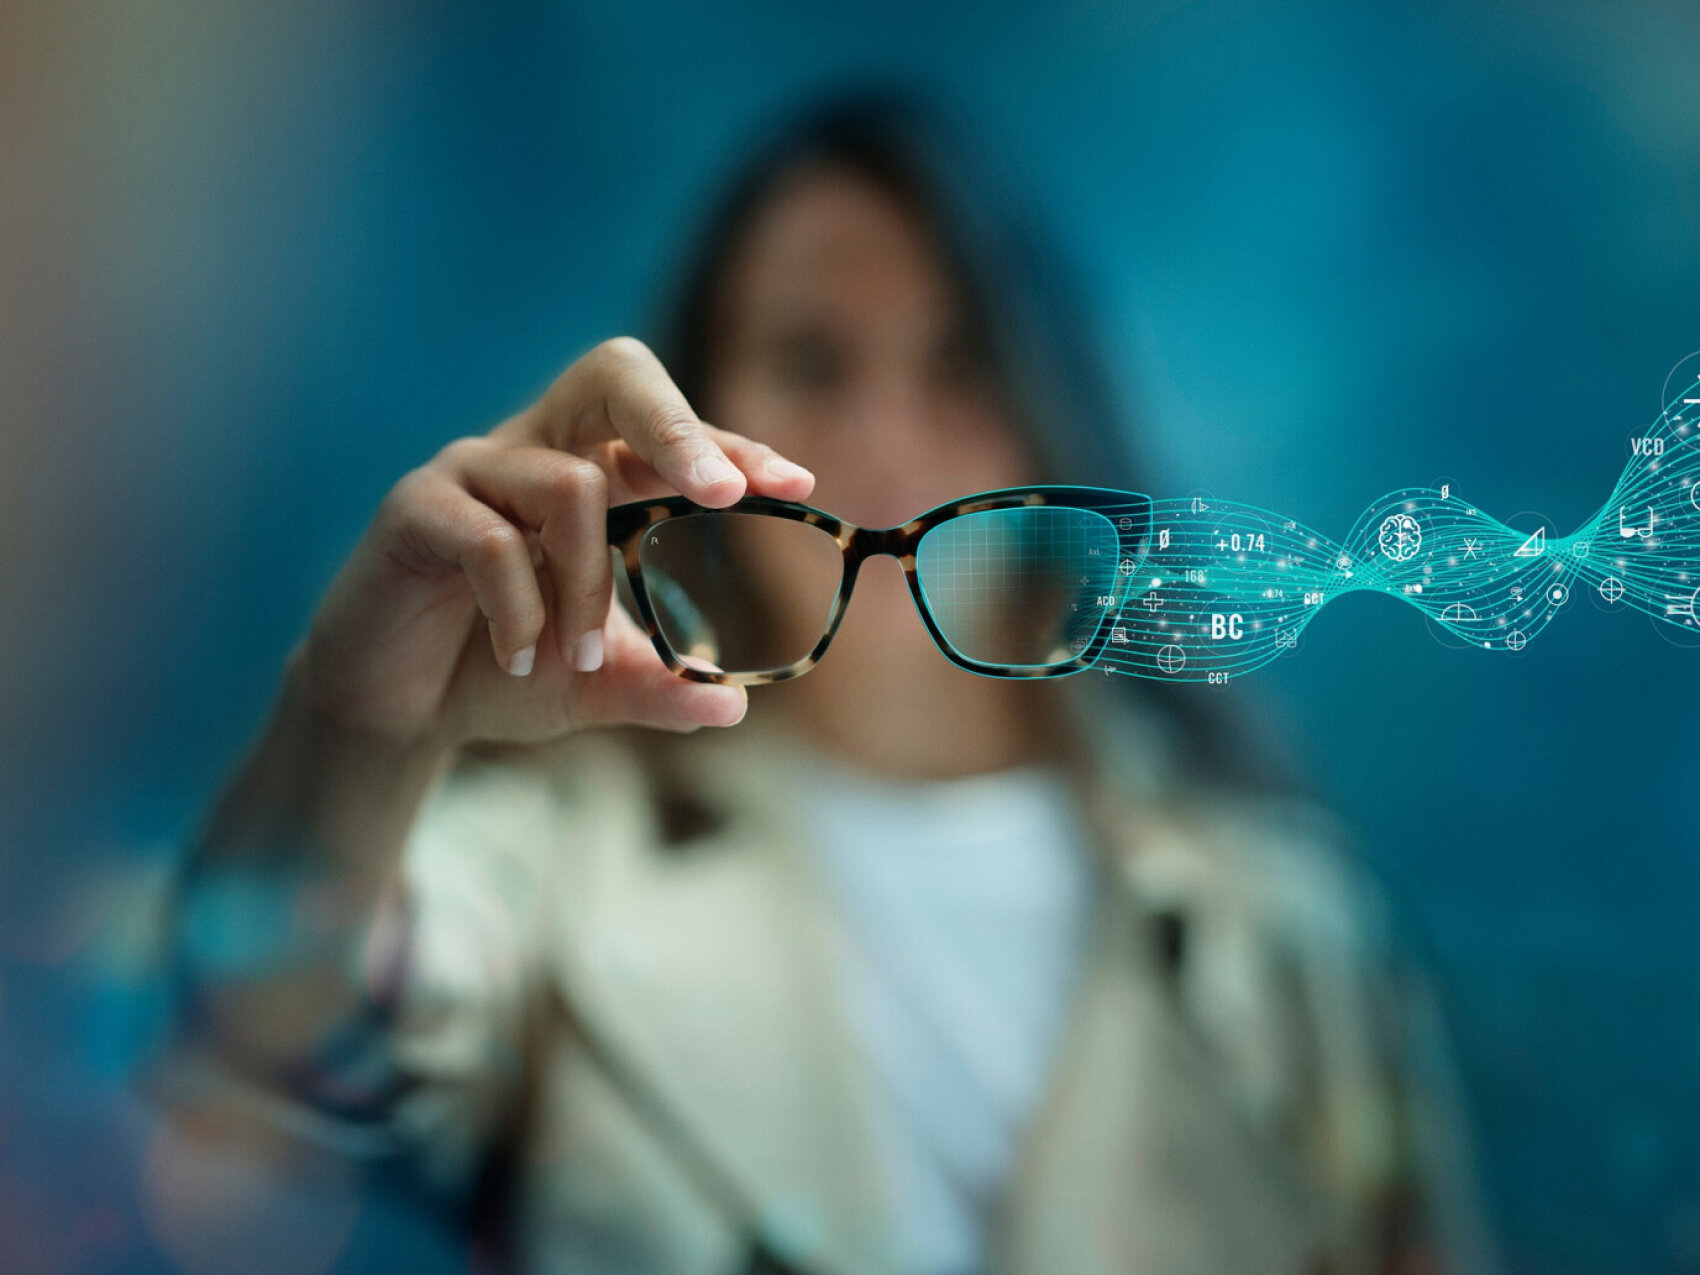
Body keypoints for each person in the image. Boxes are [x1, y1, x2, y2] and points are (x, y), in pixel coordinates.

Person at [157, 94, 1494, 1275]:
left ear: (1045, 406)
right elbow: (278, 1025)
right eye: (812, 361)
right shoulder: (561, 862)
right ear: (691, 441)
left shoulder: (1286, 934)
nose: (887, 436)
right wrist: (352, 724)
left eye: (958, 361)